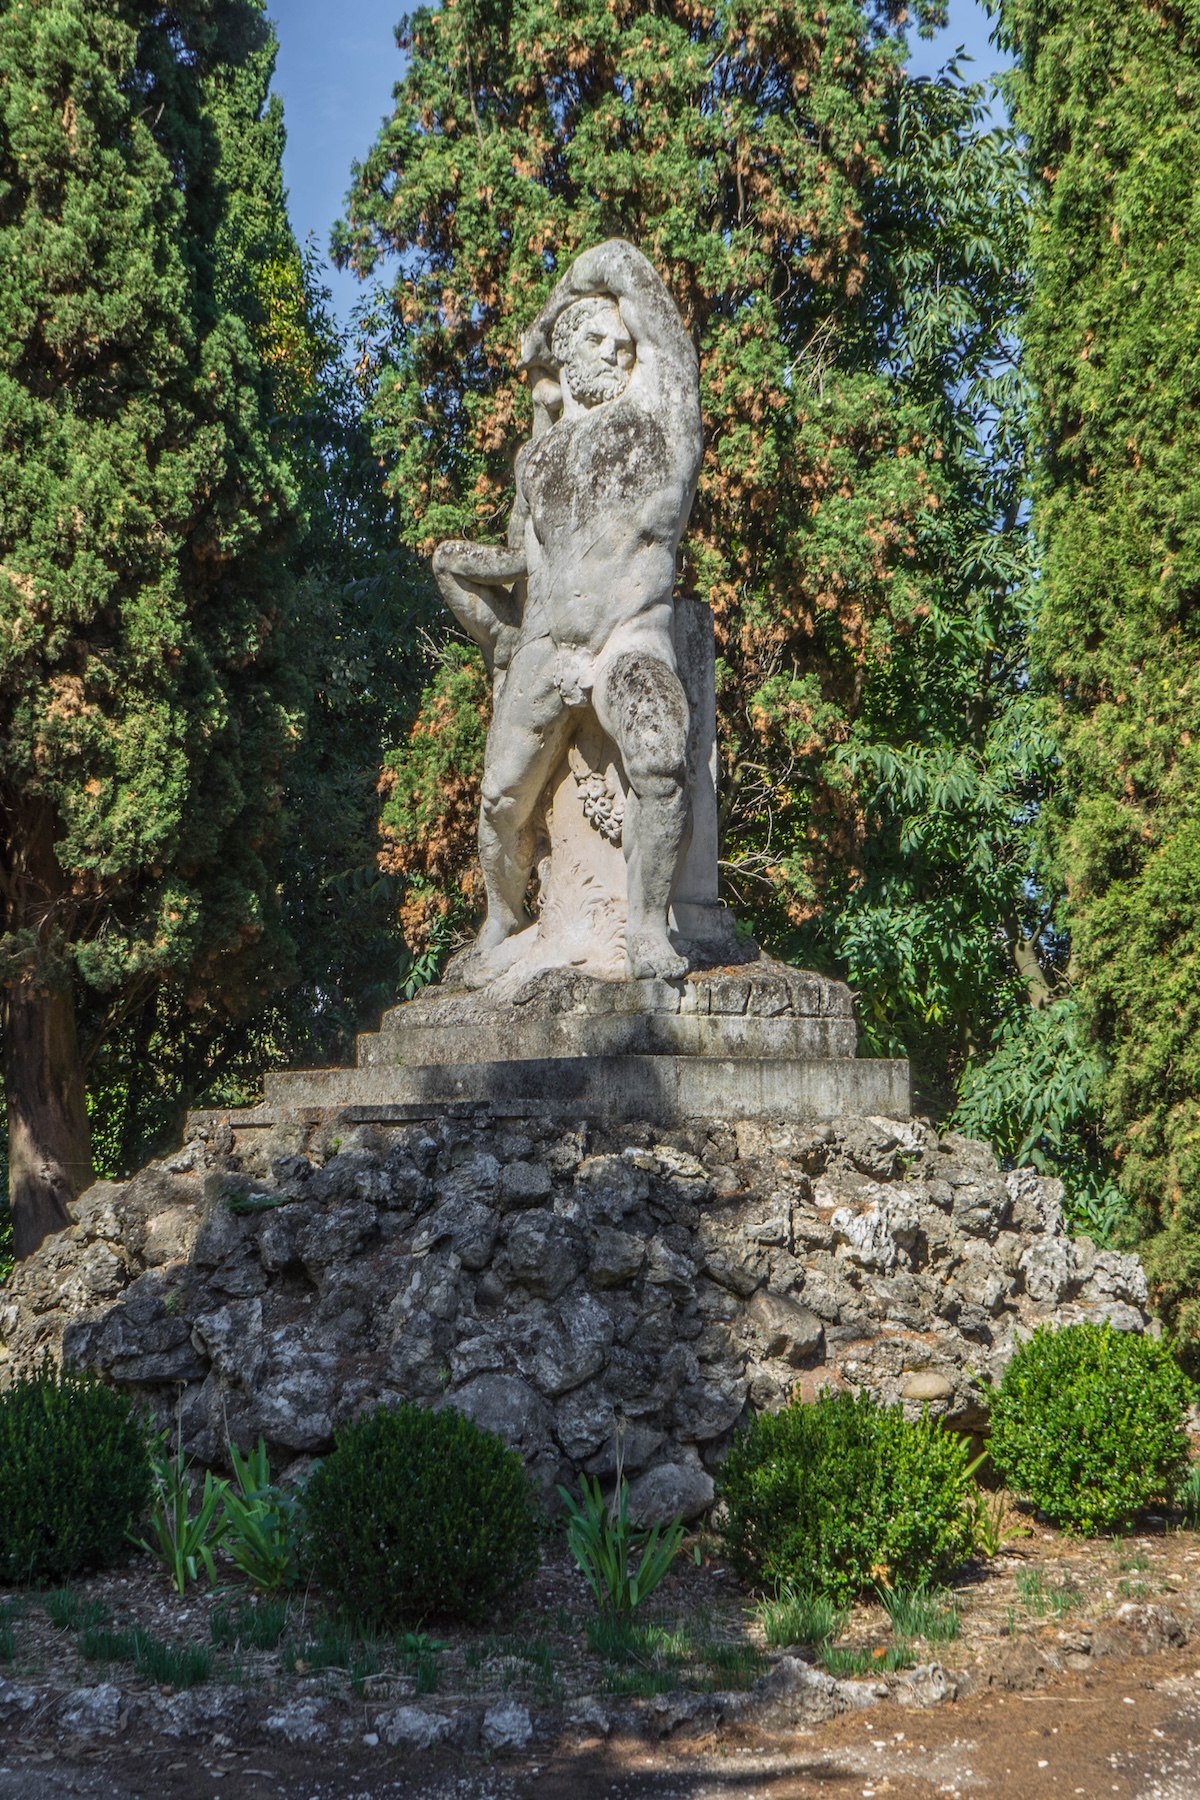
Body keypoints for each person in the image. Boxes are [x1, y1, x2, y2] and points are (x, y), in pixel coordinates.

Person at [433, 239, 704, 982]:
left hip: (629, 638)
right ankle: (502, 916)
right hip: (549, 647)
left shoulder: (663, 417)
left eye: (623, 337)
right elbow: (523, 561)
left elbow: (621, 259)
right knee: (497, 802)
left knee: (656, 754)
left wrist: (553, 303)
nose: (617, 343)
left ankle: (647, 930)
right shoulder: (539, 459)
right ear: (566, 351)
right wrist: (467, 591)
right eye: (594, 335)